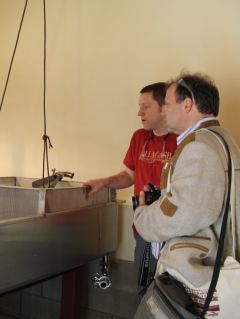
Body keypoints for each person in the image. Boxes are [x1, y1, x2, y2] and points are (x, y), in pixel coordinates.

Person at [133, 73, 240, 317]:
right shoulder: (221, 140)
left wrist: (143, 216)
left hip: (194, 274)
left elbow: (184, 214)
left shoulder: (200, 147)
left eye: (168, 104)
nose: (164, 110)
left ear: (188, 104)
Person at [83, 82, 178, 294]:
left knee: (171, 296)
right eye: (139, 106)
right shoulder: (139, 137)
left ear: (164, 107)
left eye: (146, 106)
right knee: (144, 290)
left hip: (173, 233)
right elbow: (129, 176)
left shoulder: (182, 140)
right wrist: (105, 181)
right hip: (143, 229)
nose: (139, 112)